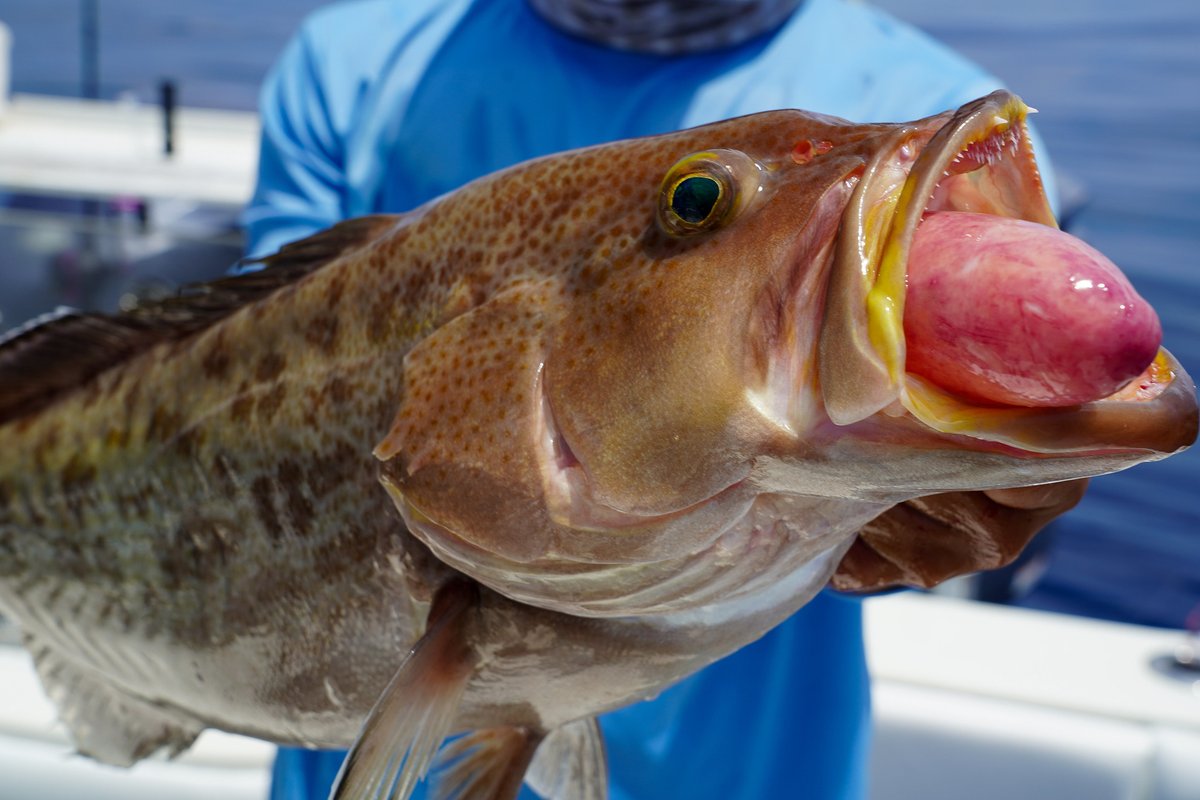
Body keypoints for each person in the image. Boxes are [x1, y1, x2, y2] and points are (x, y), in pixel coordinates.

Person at [241, 1, 1078, 798]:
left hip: (750, 770)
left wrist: (974, 493)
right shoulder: (348, 66)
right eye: (697, 206)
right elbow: (255, 387)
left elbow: (1009, 443)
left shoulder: (925, 114)